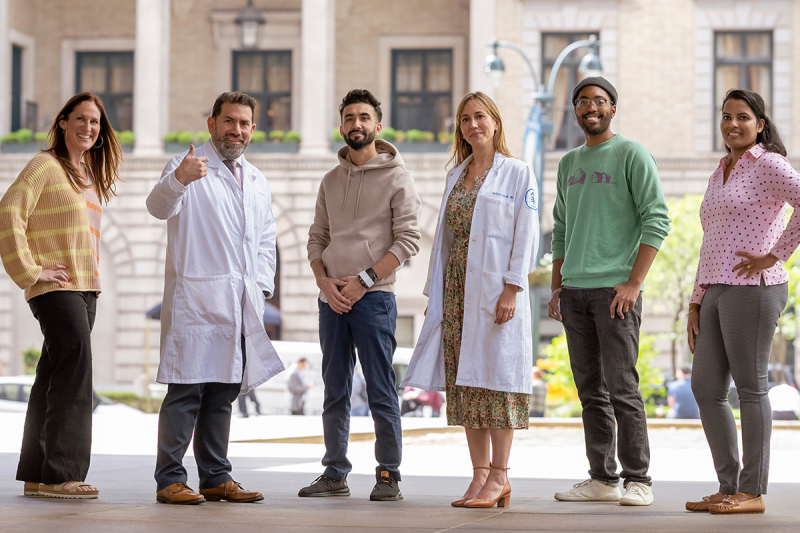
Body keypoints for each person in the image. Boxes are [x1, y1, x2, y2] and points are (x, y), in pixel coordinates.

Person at [402, 91, 538, 509]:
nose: (473, 124)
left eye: (481, 116)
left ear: (495, 123)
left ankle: (500, 475)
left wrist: (513, 287)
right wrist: (435, 296)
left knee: (496, 386)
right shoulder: (455, 176)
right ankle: (479, 476)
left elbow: (526, 234)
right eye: (465, 119)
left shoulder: (517, 173)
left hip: (497, 293)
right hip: (457, 293)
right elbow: (443, 242)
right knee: (466, 388)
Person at [146, 91, 282, 505]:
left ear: (252, 130)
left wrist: (259, 287)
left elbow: (266, 241)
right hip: (197, 299)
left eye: (243, 124)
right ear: (212, 124)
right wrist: (179, 179)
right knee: (185, 392)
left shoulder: (256, 179)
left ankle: (215, 476)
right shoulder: (187, 166)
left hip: (238, 301)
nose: (235, 130)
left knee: (223, 392)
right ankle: (170, 478)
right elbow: (157, 206)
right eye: (228, 122)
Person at [547, 77, 671, 506]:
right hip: (575, 292)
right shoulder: (569, 163)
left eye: (599, 101)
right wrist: (556, 286)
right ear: (575, 111)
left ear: (613, 109)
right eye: (582, 102)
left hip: (614, 292)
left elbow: (657, 219)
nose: (591, 108)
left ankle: (639, 480)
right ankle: (602, 478)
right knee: (590, 392)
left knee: (623, 387)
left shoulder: (631, 154)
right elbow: (561, 229)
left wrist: (634, 283)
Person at [0, 93, 122, 499]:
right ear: (64, 122)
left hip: (86, 288)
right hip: (57, 288)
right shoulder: (44, 165)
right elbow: (9, 211)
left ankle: (37, 473)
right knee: (76, 374)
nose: (89, 127)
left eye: (96, 122)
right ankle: (63, 474)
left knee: (52, 375)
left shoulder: (85, 174)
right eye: (82, 119)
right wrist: (32, 270)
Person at [302, 89, 421, 501]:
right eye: (350, 117)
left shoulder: (397, 177)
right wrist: (323, 281)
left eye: (364, 117)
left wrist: (364, 280)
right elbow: (316, 239)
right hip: (331, 299)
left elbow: (408, 241)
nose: (357, 124)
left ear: (377, 125)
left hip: (374, 299)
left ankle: (388, 473)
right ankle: (335, 473)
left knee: (380, 388)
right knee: (334, 388)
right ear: (341, 126)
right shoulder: (330, 180)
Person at [686, 89, 800, 514]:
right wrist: (695, 302)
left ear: (760, 125)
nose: (733, 124)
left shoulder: (769, 163)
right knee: (706, 388)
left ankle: (751, 492)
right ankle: (728, 485)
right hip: (714, 289)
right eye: (726, 116)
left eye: (743, 117)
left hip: (754, 288)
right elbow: (709, 241)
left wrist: (775, 254)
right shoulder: (720, 170)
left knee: (751, 389)